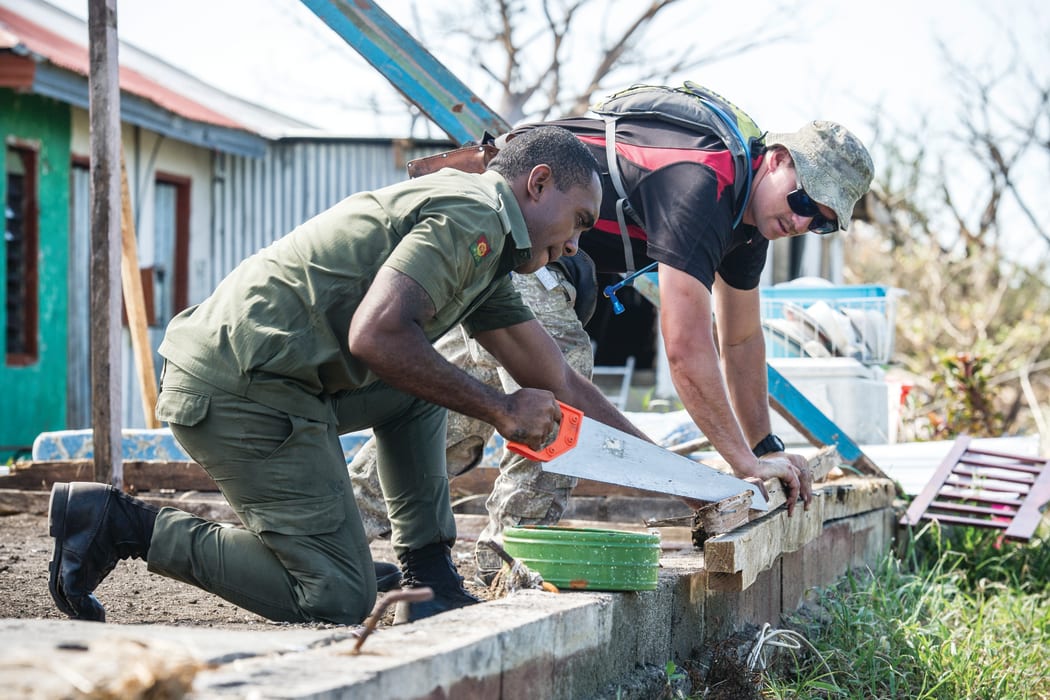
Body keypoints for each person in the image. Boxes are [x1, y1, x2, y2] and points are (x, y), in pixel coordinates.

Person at [46, 125, 654, 626]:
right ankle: (121, 523)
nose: (578, 246)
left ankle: (430, 576)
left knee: (424, 384)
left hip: (287, 383)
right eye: (579, 221)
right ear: (538, 183)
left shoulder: (490, 255)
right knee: (336, 598)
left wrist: (680, 481)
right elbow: (378, 335)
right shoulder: (473, 215)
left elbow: (563, 385)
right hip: (236, 390)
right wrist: (500, 410)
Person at [350, 85, 875, 583]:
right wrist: (741, 464)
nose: (803, 223)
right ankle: (514, 554)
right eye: (805, 203)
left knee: (457, 417)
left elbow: (739, 341)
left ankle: (343, 521)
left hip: (552, 261)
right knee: (562, 370)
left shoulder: (749, 221)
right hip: (507, 229)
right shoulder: (704, 181)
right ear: (778, 159)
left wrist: (764, 447)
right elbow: (687, 348)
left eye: (823, 223)